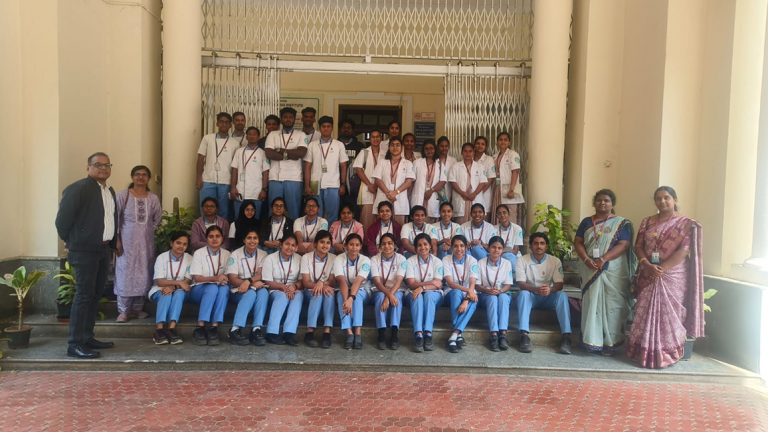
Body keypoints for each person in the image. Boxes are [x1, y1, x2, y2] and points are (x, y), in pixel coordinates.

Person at [627, 186, 704, 369]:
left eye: (666, 197)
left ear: (674, 200)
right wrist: (647, 265)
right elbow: (638, 246)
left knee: (670, 313)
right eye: (658, 198)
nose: (662, 201)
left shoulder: (684, 223)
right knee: (645, 310)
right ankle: (642, 352)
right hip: (648, 271)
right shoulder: (647, 222)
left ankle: (667, 353)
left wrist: (661, 269)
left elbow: (684, 250)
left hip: (673, 275)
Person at [55, 152, 118, 359]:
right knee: (83, 296)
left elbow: (110, 219)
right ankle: (75, 344)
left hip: (103, 250)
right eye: (98, 164)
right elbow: (62, 220)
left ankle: (87, 337)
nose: (103, 168)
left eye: (107, 165)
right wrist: (72, 241)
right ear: (88, 168)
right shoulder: (79, 188)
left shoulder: (109, 190)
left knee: (95, 295)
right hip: (84, 250)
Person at [574, 189, 635, 356]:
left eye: (606, 200)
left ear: (612, 203)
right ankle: (592, 341)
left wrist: (603, 259)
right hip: (589, 267)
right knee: (592, 303)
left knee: (612, 306)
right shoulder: (587, 222)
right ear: (594, 203)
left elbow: (624, 244)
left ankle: (611, 343)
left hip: (613, 270)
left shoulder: (620, 223)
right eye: (599, 200)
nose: (602, 203)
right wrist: (586, 259)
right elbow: (578, 242)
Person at [114, 165, 162, 323]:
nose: (140, 177)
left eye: (144, 174)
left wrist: (145, 232)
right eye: (137, 174)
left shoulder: (153, 198)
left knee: (144, 272)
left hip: (145, 244)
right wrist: (117, 240)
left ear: (148, 178)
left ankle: (137, 308)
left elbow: (157, 219)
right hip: (125, 244)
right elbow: (115, 219)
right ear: (132, 177)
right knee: (125, 274)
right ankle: (123, 311)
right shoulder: (124, 195)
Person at [516, 233, 571, 355]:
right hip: (531, 296)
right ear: (531, 246)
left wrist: (550, 289)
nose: (539, 246)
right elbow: (521, 284)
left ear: (546, 246)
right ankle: (524, 336)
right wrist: (537, 290)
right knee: (523, 294)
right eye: (535, 243)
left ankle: (566, 337)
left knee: (562, 295)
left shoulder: (555, 261)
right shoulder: (522, 260)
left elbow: (559, 284)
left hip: (548, 297)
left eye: (542, 243)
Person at [189, 225, 231, 346]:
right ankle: (200, 327)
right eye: (211, 236)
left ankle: (214, 327)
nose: (214, 239)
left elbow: (228, 275)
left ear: (222, 238)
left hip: (218, 288)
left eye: (218, 236)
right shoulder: (199, 253)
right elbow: (197, 278)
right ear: (206, 238)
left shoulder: (227, 254)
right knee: (212, 288)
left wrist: (223, 279)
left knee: (224, 289)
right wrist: (215, 278)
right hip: (199, 290)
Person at [226, 228, 269, 346]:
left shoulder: (263, 254)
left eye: (255, 238)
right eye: (249, 238)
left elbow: (260, 274)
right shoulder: (235, 254)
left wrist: (249, 282)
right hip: (237, 289)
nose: (252, 241)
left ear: (258, 240)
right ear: (244, 240)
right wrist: (247, 284)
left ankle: (256, 329)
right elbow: (233, 278)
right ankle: (235, 329)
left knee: (263, 292)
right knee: (250, 293)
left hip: (254, 285)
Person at [265, 107, 309, 220]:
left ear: (294, 119)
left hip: (294, 178)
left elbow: (301, 153)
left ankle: (293, 231)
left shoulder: (301, 135)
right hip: (275, 178)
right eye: (285, 117)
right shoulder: (273, 134)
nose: (288, 119)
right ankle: (272, 230)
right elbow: (269, 153)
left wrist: (279, 150)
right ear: (281, 119)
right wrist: (291, 155)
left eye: (290, 117)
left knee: (294, 211)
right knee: (273, 210)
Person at [304, 116, 349, 225]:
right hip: (315, 184)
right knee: (315, 214)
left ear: (332, 128)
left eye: (328, 126)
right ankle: (316, 234)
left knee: (332, 215)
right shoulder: (312, 145)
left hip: (333, 184)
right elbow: (307, 167)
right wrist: (307, 186)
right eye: (323, 126)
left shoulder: (339, 145)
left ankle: (330, 235)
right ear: (319, 128)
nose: (326, 128)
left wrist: (343, 184)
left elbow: (343, 166)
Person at [149, 232, 192, 345]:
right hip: (159, 289)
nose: (181, 246)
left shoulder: (189, 258)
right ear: (171, 243)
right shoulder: (162, 257)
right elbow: (159, 281)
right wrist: (178, 283)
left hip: (180, 290)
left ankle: (171, 329)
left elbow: (187, 281)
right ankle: (159, 330)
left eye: (184, 244)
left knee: (179, 294)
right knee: (166, 294)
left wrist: (173, 287)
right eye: (178, 243)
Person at [262, 233, 305, 346]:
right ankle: (271, 333)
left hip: (293, 289)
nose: (289, 247)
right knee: (282, 296)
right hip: (275, 289)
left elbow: (302, 281)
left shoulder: (299, 259)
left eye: (293, 245)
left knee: (299, 296)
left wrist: (294, 287)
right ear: (281, 244)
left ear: (296, 247)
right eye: (287, 244)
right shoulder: (270, 258)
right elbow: (268, 282)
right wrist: (284, 287)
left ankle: (289, 333)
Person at [404, 233, 444, 352]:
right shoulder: (410, 261)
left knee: (429, 296)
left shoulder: (437, 261)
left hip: (433, 292)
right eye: (419, 245)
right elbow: (411, 284)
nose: (423, 247)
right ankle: (418, 334)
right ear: (416, 248)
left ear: (430, 246)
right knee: (417, 297)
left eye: (425, 244)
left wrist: (423, 288)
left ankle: (428, 333)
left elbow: (438, 284)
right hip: (413, 292)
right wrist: (430, 282)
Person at [476, 236, 515, 352]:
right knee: (492, 298)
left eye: (499, 248)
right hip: (486, 294)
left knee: (503, 298)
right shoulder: (480, 263)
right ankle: (493, 335)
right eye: (493, 247)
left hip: (502, 292)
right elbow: (477, 285)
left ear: (502, 250)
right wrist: (488, 291)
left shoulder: (507, 263)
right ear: (488, 248)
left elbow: (508, 285)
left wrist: (500, 291)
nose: (496, 250)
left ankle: (503, 334)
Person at [370, 233, 408, 350]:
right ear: (380, 246)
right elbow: (377, 282)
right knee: (380, 298)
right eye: (384, 244)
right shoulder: (374, 259)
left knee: (396, 298)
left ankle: (394, 334)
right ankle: (381, 333)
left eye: (390, 243)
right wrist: (387, 295)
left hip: (397, 288)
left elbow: (399, 281)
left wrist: (389, 296)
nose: (387, 246)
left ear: (395, 245)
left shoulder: (401, 259)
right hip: (379, 289)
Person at [442, 235, 479, 353]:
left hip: (468, 291)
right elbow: (450, 283)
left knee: (474, 300)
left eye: (462, 246)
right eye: (456, 246)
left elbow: (472, 282)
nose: (459, 249)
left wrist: (467, 299)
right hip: (451, 292)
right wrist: (468, 291)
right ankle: (457, 333)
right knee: (457, 292)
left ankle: (455, 334)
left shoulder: (472, 260)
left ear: (466, 247)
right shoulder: (446, 259)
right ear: (451, 247)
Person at [334, 234, 371, 349]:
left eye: (357, 245)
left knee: (357, 296)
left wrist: (351, 298)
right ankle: (349, 332)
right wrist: (347, 300)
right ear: (345, 246)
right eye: (351, 244)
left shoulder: (365, 260)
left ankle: (358, 332)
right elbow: (342, 281)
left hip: (362, 289)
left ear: (360, 246)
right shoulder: (338, 259)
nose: (354, 248)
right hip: (344, 288)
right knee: (341, 296)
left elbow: (358, 281)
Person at [301, 230, 337, 348]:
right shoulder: (306, 258)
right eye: (322, 242)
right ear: (315, 243)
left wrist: (321, 283)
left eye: (328, 242)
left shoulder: (334, 258)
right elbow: (306, 282)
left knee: (329, 294)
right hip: (309, 290)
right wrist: (320, 286)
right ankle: (309, 331)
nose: (325, 245)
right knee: (317, 294)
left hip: (326, 289)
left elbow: (332, 281)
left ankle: (327, 331)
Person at [197, 112, 236, 218]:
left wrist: (234, 185)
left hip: (226, 181)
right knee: (206, 208)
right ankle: (205, 228)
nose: (224, 124)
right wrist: (199, 178)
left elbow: (235, 166)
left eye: (227, 122)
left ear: (230, 125)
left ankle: (221, 229)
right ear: (217, 124)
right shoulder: (207, 138)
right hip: (207, 180)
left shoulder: (234, 143)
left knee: (223, 210)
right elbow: (200, 158)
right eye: (221, 122)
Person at [371, 137, 415, 225]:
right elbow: (378, 179)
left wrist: (395, 192)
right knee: (382, 227)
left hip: (399, 198)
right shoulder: (382, 162)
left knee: (399, 228)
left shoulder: (408, 163)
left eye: (397, 145)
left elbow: (409, 182)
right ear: (389, 147)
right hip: (384, 196)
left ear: (402, 147)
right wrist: (388, 193)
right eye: (392, 145)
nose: (395, 147)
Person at [230, 126, 269, 218]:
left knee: (255, 219)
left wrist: (264, 190)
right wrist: (233, 188)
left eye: (254, 134)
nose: (252, 136)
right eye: (250, 134)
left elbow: (266, 173)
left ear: (258, 137)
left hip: (256, 192)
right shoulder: (239, 151)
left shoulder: (263, 153)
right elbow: (234, 170)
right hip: (240, 191)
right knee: (238, 218)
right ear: (246, 137)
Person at [448, 142, 488, 224]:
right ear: (462, 152)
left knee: (475, 220)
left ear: (473, 152)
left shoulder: (480, 166)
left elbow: (482, 182)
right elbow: (452, 181)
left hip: (474, 197)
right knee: (461, 224)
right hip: (461, 197)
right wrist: (462, 193)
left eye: (470, 151)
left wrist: (474, 194)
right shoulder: (455, 166)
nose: (468, 154)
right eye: (465, 151)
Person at [491, 132, 524, 225]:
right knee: (498, 214)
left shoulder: (513, 154)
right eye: (500, 140)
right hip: (498, 189)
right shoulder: (495, 156)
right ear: (497, 142)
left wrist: (511, 189)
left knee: (510, 215)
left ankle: (511, 234)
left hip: (509, 189)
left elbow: (515, 172)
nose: (503, 142)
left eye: (505, 140)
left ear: (509, 142)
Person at [354, 128, 384, 229]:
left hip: (382, 189)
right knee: (367, 221)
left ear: (381, 138)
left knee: (381, 219)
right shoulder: (364, 152)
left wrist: (376, 185)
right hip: (367, 189)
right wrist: (370, 185)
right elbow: (358, 170)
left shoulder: (385, 153)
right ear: (370, 139)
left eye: (377, 137)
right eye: (373, 137)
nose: (375, 139)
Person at [410, 139, 447, 222]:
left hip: (433, 197)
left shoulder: (440, 164)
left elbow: (442, 181)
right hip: (419, 197)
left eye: (431, 148)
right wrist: (408, 196)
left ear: (435, 149)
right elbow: (412, 181)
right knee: (418, 220)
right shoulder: (417, 163)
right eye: (426, 149)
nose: (429, 151)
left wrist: (431, 191)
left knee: (432, 224)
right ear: (423, 150)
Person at [338, 118, 367, 216]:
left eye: (349, 127)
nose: (346, 129)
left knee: (353, 210)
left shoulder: (359, 146)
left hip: (354, 184)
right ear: (340, 129)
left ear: (353, 130)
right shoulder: (335, 144)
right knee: (339, 211)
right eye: (344, 127)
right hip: (337, 183)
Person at [472, 136, 496, 220]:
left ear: (486, 146)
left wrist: (479, 192)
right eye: (478, 143)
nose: (480, 146)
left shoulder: (489, 159)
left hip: (484, 193)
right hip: (470, 194)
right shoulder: (469, 157)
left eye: (482, 144)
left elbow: (490, 179)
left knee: (483, 218)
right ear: (474, 145)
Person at [494, 204, 524, 270]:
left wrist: (506, 251)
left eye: (504, 213)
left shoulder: (517, 228)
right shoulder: (493, 229)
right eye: (499, 214)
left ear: (509, 214)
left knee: (507, 256)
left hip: (513, 255)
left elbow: (515, 251)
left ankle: (517, 272)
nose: (502, 215)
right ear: (497, 216)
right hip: (498, 255)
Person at [436, 136, 458, 205]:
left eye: (446, 146)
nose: (444, 148)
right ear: (438, 147)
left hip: (448, 190)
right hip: (435, 190)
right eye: (441, 146)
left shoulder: (453, 161)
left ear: (449, 147)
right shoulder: (434, 160)